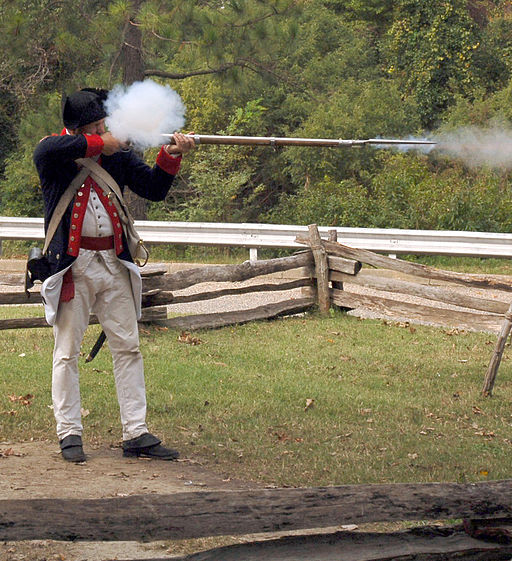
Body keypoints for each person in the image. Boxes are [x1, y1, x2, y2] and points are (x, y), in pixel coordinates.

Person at [33, 87, 195, 463]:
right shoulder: (55, 153)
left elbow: (153, 189)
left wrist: (170, 155)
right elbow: (47, 150)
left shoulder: (117, 154)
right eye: (93, 126)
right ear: (74, 129)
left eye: (102, 124)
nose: (103, 131)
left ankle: (135, 432)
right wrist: (99, 142)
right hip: (74, 265)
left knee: (128, 347)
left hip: (113, 261)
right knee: (66, 352)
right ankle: (69, 431)